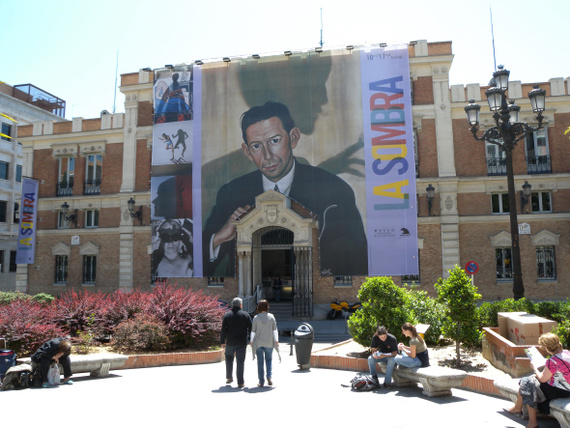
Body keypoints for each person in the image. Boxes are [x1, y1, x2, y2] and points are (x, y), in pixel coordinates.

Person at [203, 101, 368, 277]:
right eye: (257, 146)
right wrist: (219, 237)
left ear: (294, 137)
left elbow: (358, 261)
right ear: (247, 151)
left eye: (274, 141)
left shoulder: (334, 190)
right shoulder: (231, 193)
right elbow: (198, 264)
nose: (267, 156)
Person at [504, 332, 570, 428]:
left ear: (547, 348)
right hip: (566, 388)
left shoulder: (552, 361)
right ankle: (520, 411)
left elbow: (543, 379)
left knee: (528, 384)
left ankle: (530, 421)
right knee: (529, 381)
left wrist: (534, 368)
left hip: (562, 391)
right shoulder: (567, 353)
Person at [220, 297, 252, 388]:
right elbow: (251, 328)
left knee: (229, 358)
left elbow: (223, 330)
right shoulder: (245, 315)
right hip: (242, 342)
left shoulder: (227, 315)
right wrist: (250, 339)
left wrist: (222, 341)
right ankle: (240, 382)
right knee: (240, 361)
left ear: (232, 305)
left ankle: (229, 377)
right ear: (241, 305)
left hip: (230, 341)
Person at [250, 300, 279, 387]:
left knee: (260, 362)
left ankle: (261, 381)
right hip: (269, 341)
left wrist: (251, 341)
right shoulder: (271, 317)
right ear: (267, 307)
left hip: (259, 342)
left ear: (258, 307)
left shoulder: (256, 318)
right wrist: (276, 340)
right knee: (269, 360)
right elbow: (275, 330)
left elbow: (253, 331)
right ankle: (269, 376)